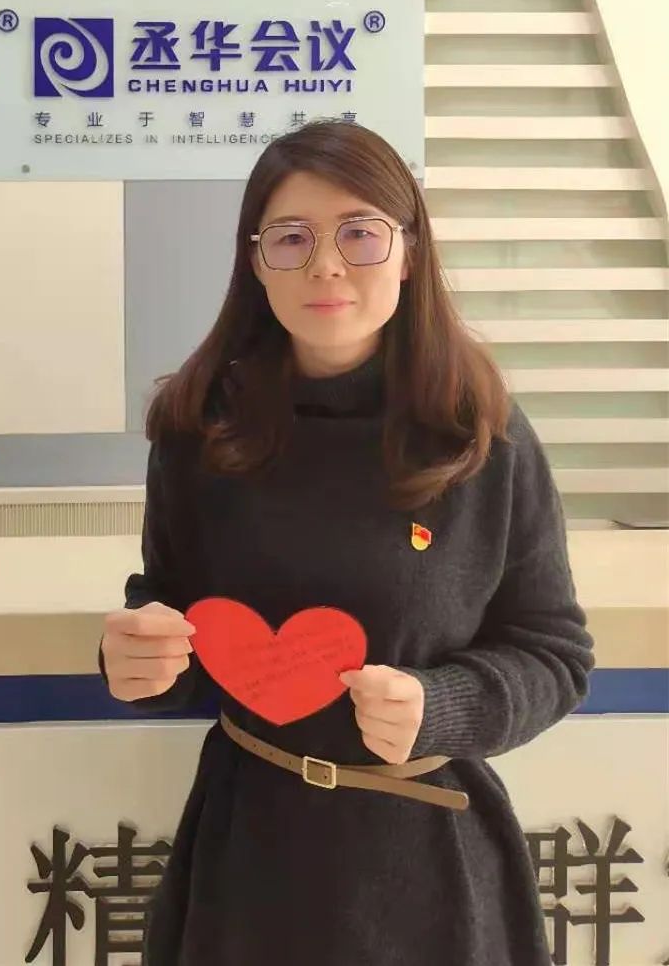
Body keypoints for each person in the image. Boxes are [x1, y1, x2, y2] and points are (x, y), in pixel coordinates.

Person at [99, 120, 595, 966]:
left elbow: (554, 652)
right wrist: (140, 656)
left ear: (408, 251)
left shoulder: (480, 434)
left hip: (431, 867)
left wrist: (442, 705)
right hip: (250, 861)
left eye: (359, 234)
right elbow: (174, 605)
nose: (325, 265)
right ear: (256, 262)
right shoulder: (199, 427)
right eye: (291, 238)